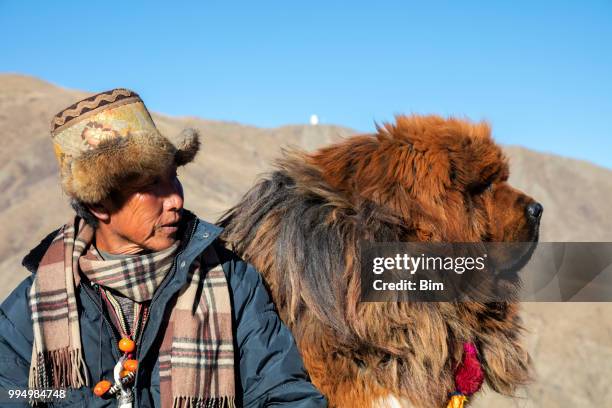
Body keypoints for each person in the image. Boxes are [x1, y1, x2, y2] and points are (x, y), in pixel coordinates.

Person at [0, 89, 327, 407]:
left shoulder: (231, 279)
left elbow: (284, 394)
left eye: (174, 177)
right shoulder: (30, 308)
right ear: (99, 202)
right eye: (150, 186)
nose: (175, 199)